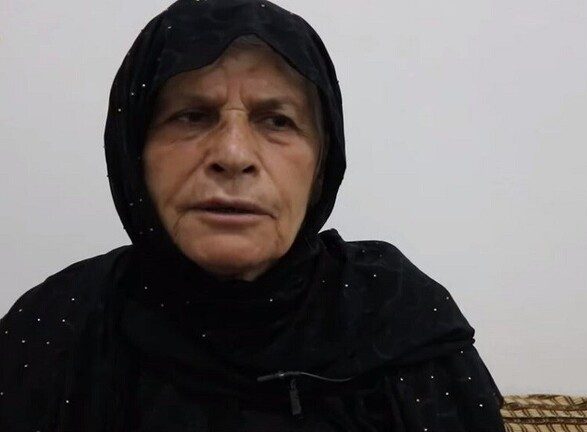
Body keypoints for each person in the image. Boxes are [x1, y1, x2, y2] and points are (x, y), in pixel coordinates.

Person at [0, 0, 505, 430]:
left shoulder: (399, 321)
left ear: (321, 166)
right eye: (192, 115)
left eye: (277, 121)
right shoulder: (55, 331)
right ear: (134, 154)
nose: (233, 154)